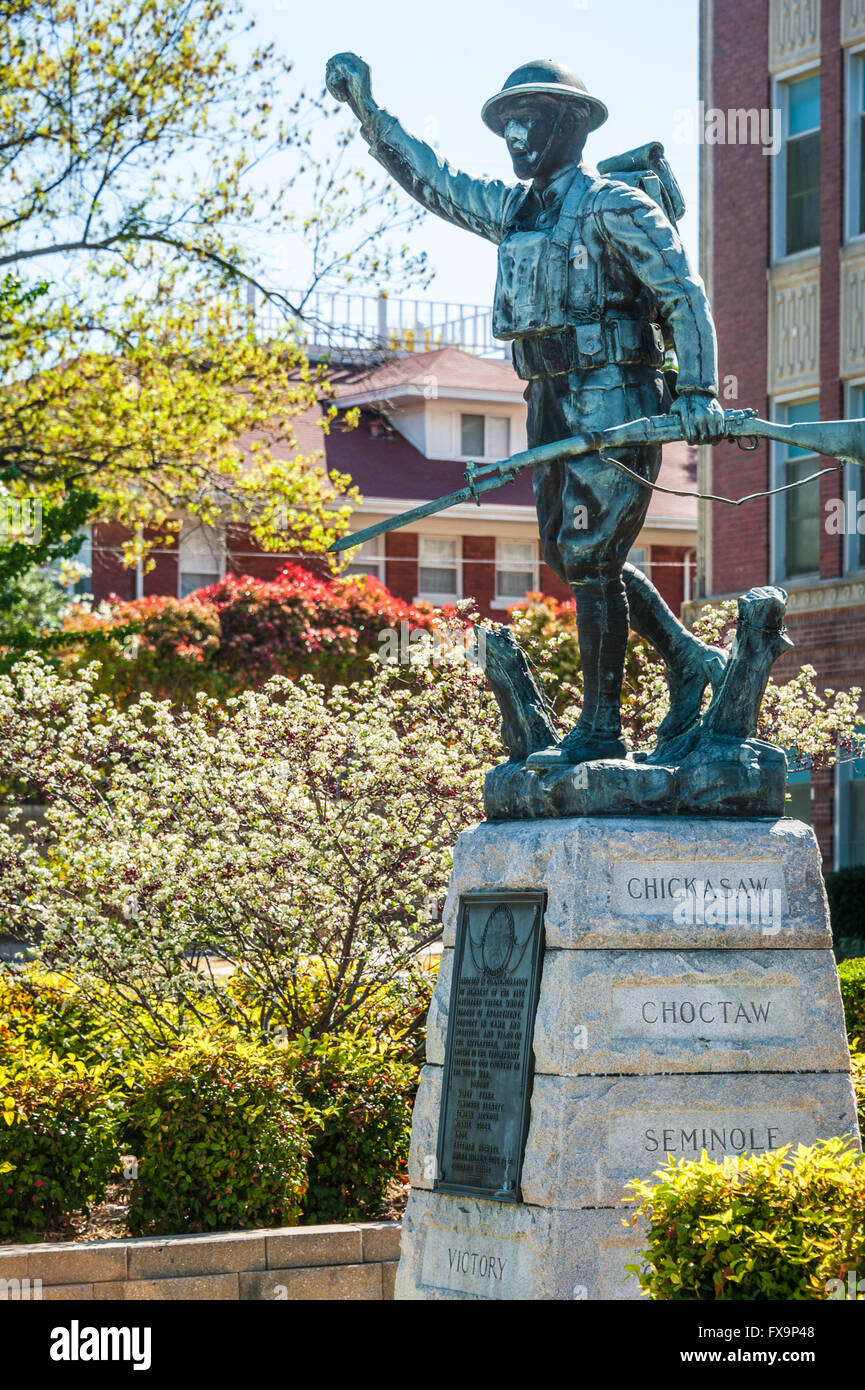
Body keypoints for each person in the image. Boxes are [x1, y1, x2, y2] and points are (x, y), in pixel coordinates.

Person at [326, 53, 728, 765]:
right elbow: (434, 180)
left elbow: (680, 295)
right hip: (545, 398)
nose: (513, 139)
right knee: (568, 556)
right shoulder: (513, 212)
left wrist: (696, 391)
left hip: (617, 397)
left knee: (589, 556)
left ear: (570, 126)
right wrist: (368, 112)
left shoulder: (613, 206)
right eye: (506, 126)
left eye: (527, 122)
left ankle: (601, 728)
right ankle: (690, 660)